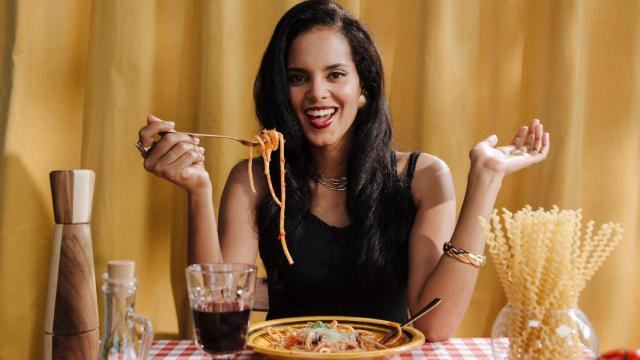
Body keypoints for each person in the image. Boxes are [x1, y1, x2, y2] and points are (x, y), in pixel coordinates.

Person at [135, 0, 549, 341]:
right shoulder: (256, 178)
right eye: (299, 78)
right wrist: (197, 191)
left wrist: (486, 181)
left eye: (335, 74)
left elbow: (434, 326)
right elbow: (216, 331)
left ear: (363, 86)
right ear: (283, 91)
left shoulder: (422, 177)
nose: (317, 93)